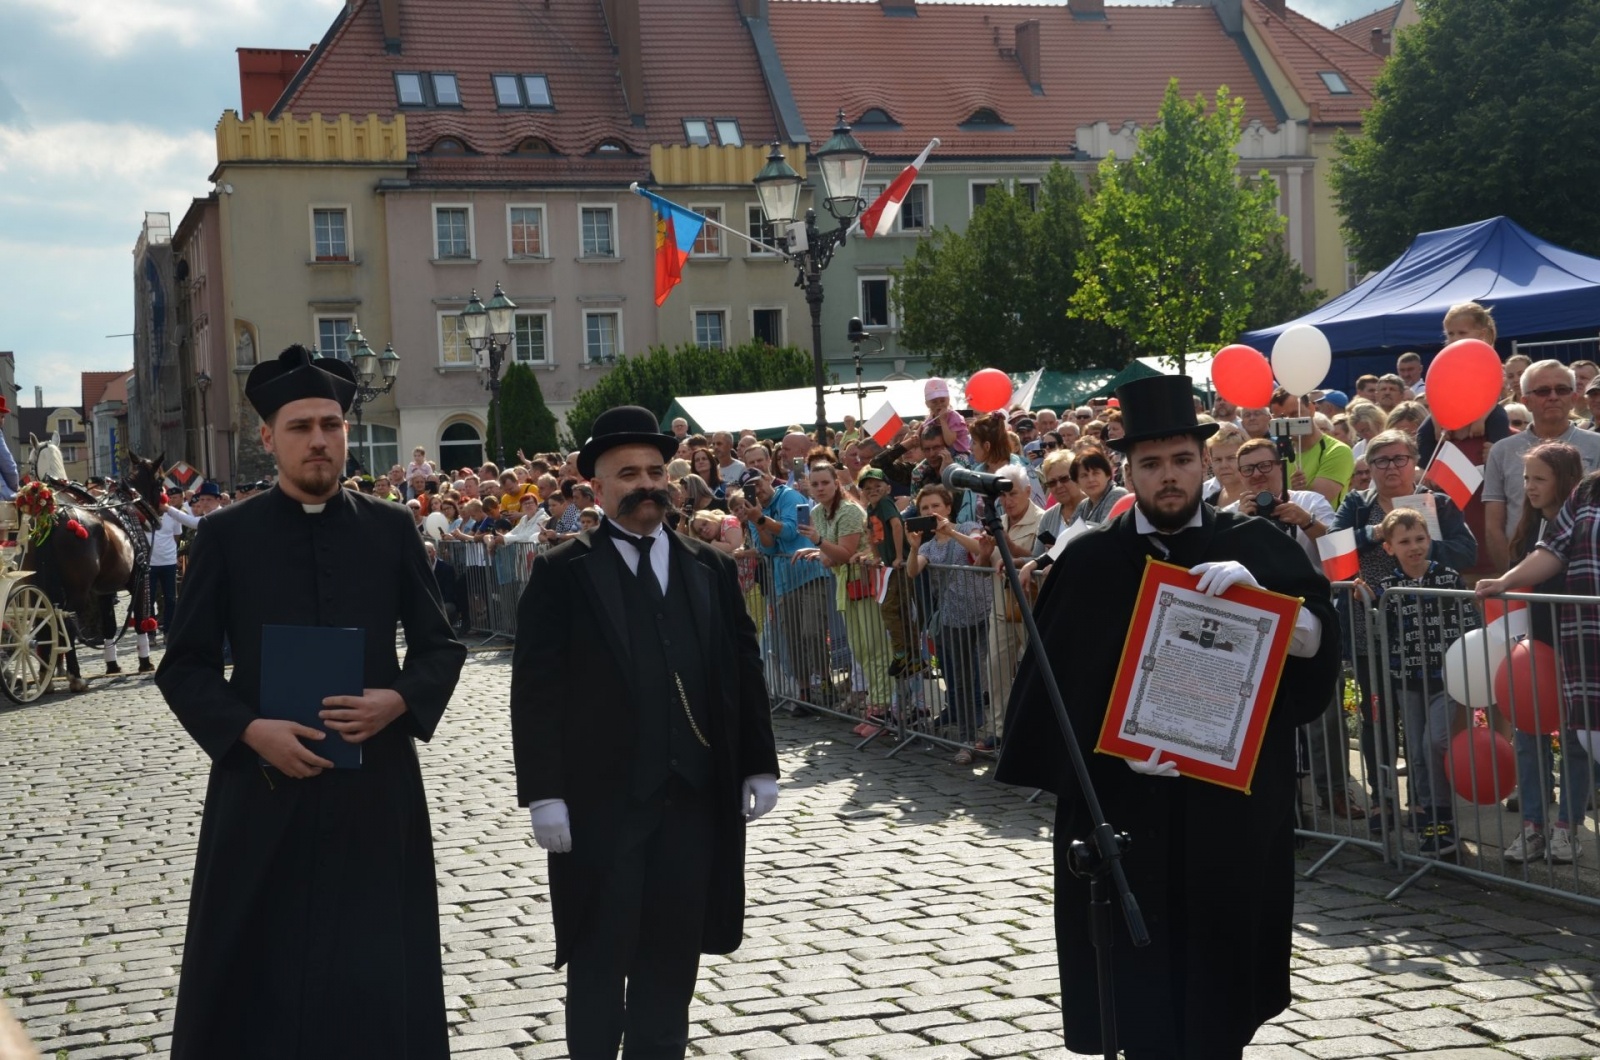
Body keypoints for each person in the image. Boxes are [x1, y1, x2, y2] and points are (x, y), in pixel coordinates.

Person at [996, 374, 1339, 1059]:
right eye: (1151, 464)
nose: (1169, 477)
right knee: (1138, 1004)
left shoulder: (1259, 547)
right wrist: (1109, 751)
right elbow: (1047, 702)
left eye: (1182, 459)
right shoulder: (1091, 559)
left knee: (1220, 1003)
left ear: (1204, 461)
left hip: (1227, 815)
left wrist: (1268, 604)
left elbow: (1322, 648)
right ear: (1127, 469)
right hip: (1126, 817)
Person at [154, 345, 466, 1059]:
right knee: (258, 973)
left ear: (348, 432)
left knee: (379, 970)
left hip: (375, 793)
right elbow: (187, 667)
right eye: (300, 427)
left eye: (331, 423)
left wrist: (395, 700)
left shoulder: (390, 529)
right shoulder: (228, 537)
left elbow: (440, 648)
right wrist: (249, 729)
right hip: (260, 791)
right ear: (269, 439)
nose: (319, 439)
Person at [509, 405, 779, 1059]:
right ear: (595, 490)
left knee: (671, 963)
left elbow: (742, 670)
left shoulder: (709, 568)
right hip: (603, 806)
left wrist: (759, 762)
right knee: (599, 964)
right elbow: (536, 691)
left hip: (692, 803)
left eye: (656, 471)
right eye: (627, 473)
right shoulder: (563, 570)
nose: (645, 484)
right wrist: (543, 794)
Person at [1331, 429, 1477, 831]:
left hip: (1428, 633)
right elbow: (1333, 552)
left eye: (1399, 459)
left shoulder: (1437, 504)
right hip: (1369, 631)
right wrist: (1377, 534)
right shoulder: (1357, 507)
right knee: (1377, 717)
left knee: (1420, 725)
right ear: (1369, 467)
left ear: (1414, 461)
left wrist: (1420, 542)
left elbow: (1467, 553)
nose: (1391, 467)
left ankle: (1423, 802)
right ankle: (1382, 799)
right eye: (1380, 461)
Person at [1478, 443, 1592, 863]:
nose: (1530, 487)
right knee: (1529, 734)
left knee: (1576, 741)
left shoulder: (1580, 525)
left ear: (1565, 482)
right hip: (1533, 646)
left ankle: (1567, 827)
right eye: (1527, 479)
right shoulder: (1528, 529)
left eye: (1540, 479)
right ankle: (1532, 827)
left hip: (1576, 645)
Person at [1358, 508, 1479, 856]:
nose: (1414, 547)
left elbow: (1469, 621)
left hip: (1445, 679)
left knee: (1434, 742)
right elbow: (1373, 614)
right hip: (1406, 680)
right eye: (1405, 541)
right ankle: (1431, 820)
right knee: (1416, 753)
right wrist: (1363, 596)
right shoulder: (1386, 587)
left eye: (1420, 539)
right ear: (1390, 548)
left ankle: (1443, 816)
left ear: (1430, 540)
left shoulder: (1448, 577)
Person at [1484, 360, 1600, 572]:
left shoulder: (1597, 445)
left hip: (1586, 568)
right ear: (1526, 401)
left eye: (1562, 390)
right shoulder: (1501, 451)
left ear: (1574, 398)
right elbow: (1494, 526)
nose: (1553, 396)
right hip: (1520, 570)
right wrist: (1510, 582)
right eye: (1543, 391)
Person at [905, 484, 989, 761]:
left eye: (935, 506)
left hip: (983, 612)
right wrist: (914, 546)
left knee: (986, 675)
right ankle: (967, 737)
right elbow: (912, 570)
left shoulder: (966, 526)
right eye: (925, 508)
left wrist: (950, 531)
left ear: (948, 507)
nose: (931, 512)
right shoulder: (928, 546)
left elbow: (980, 549)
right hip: (953, 619)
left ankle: (985, 731)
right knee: (962, 679)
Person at [1066, 448, 1127, 526]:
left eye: (1096, 473)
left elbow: (1106, 532)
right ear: (1077, 482)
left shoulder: (1118, 495)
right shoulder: (1082, 506)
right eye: (1084, 475)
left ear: (1108, 475)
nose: (1091, 479)